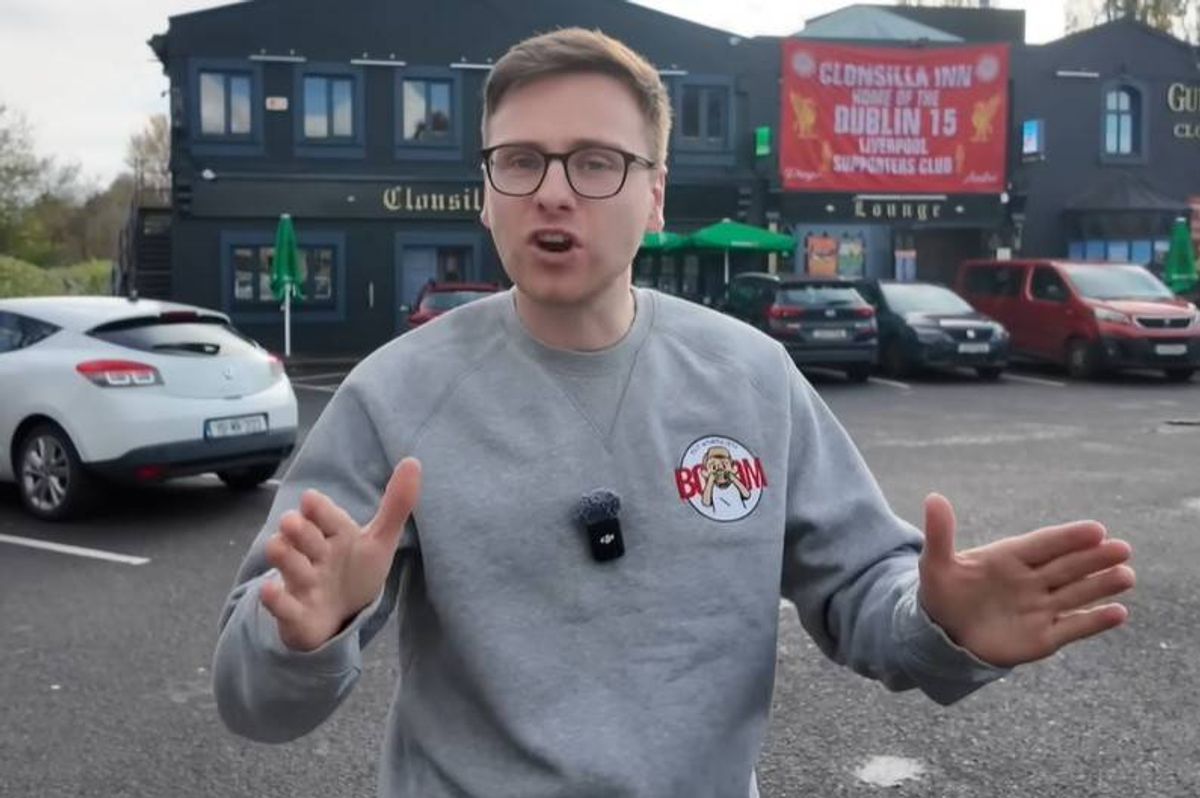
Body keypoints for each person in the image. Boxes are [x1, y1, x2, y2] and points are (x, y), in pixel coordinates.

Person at [212, 28, 1136, 798]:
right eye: (521, 160)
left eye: (597, 163)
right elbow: (254, 701)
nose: (554, 190)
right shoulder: (392, 395)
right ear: (488, 195)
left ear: (655, 196)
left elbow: (866, 593)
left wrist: (943, 622)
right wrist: (301, 634)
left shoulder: (752, 378)